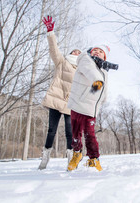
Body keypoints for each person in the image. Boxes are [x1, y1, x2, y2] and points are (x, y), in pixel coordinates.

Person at [38, 16, 81, 170]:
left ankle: (71, 159)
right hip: (56, 100)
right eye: (74, 51)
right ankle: (45, 157)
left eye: (79, 52)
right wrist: (50, 32)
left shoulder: (83, 70)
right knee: (51, 130)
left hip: (71, 104)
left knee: (71, 132)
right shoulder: (62, 62)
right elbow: (54, 50)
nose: (76, 52)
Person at [66, 45, 112, 172]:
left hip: (91, 107)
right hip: (78, 104)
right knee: (76, 134)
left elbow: (103, 88)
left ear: (104, 56)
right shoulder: (86, 60)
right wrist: (97, 81)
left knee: (90, 135)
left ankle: (93, 159)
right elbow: (91, 73)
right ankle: (77, 154)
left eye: (100, 51)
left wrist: (103, 99)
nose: (97, 52)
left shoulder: (103, 70)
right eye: (95, 50)